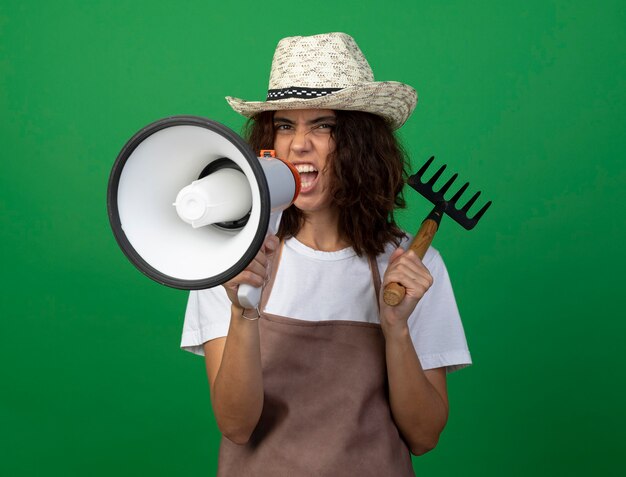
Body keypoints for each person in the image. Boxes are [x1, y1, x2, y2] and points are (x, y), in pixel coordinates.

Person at [181, 32, 471, 476]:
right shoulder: (233, 260)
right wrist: (243, 311)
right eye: (284, 125)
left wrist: (395, 328)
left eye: (324, 125)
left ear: (360, 144)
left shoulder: (411, 266)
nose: (298, 144)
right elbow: (236, 426)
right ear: (267, 143)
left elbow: (424, 436)